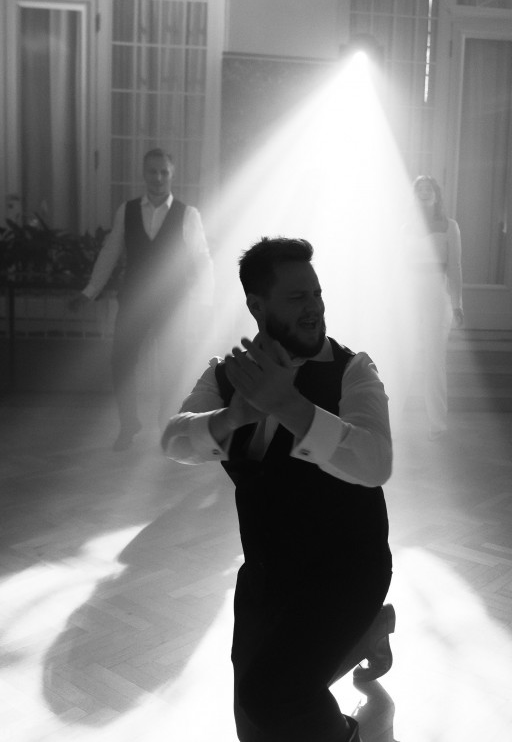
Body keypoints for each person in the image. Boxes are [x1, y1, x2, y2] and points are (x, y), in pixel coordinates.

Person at [162, 237, 394, 742]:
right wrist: (234, 415)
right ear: (257, 306)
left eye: (316, 294)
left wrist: (287, 405)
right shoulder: (228, 376)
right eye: (297, 297)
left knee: (272, 697)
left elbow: (376, 463)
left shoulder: (354, 370)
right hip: (268, 574)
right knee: (255, 725)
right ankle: (370, 632)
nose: (314, 307)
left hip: (347, 571)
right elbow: (174, 440)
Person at [70, 148, 213, 450]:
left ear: (172, 174)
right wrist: (89, 291)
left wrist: (204, 303)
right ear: (144, 173)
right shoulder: (128, 210)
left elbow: (201, 260)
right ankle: (128, 424)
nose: (158, 177)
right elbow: (110, 252)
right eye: (152, 171)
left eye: (164, 172)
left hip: (172, 304)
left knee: (171, 367)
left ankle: (167, 426)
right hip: (133, 300)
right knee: (121, 361)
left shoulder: (188, 214)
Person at [406, 175, 463, 439]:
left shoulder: (450, 226)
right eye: (420, 188)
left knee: (434, 359)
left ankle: (437, 423)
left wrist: (457, 304)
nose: (425, 192)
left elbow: (456, 267)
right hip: (410, 297)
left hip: (437, 297)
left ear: (437, 194)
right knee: (403, 356)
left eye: (429, 188)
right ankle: (390, 419)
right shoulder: (406, 227)